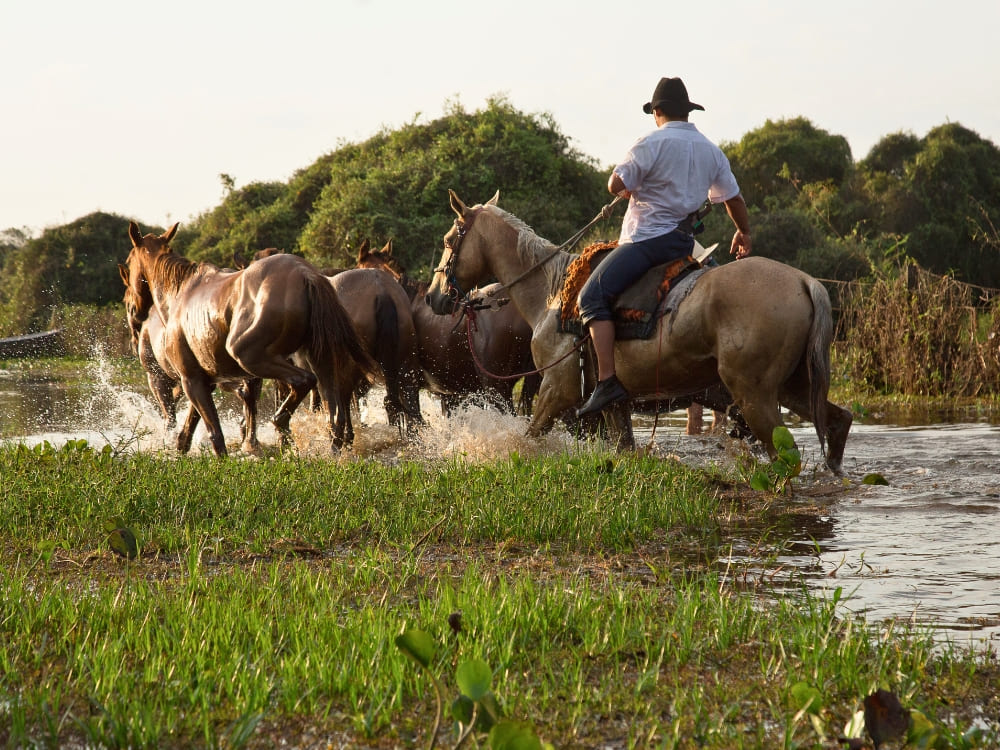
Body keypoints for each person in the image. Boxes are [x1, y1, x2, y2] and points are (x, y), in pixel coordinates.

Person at [576, 76, 752, 418]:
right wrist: (743, 232)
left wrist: (625, 188)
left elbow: (615, 183)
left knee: (590, 297)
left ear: (656, 111)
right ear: (686, 112)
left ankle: (607, 381)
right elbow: (733, 198)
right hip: (684, 244)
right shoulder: (710, 149)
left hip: (647, 240)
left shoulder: (650, 142)